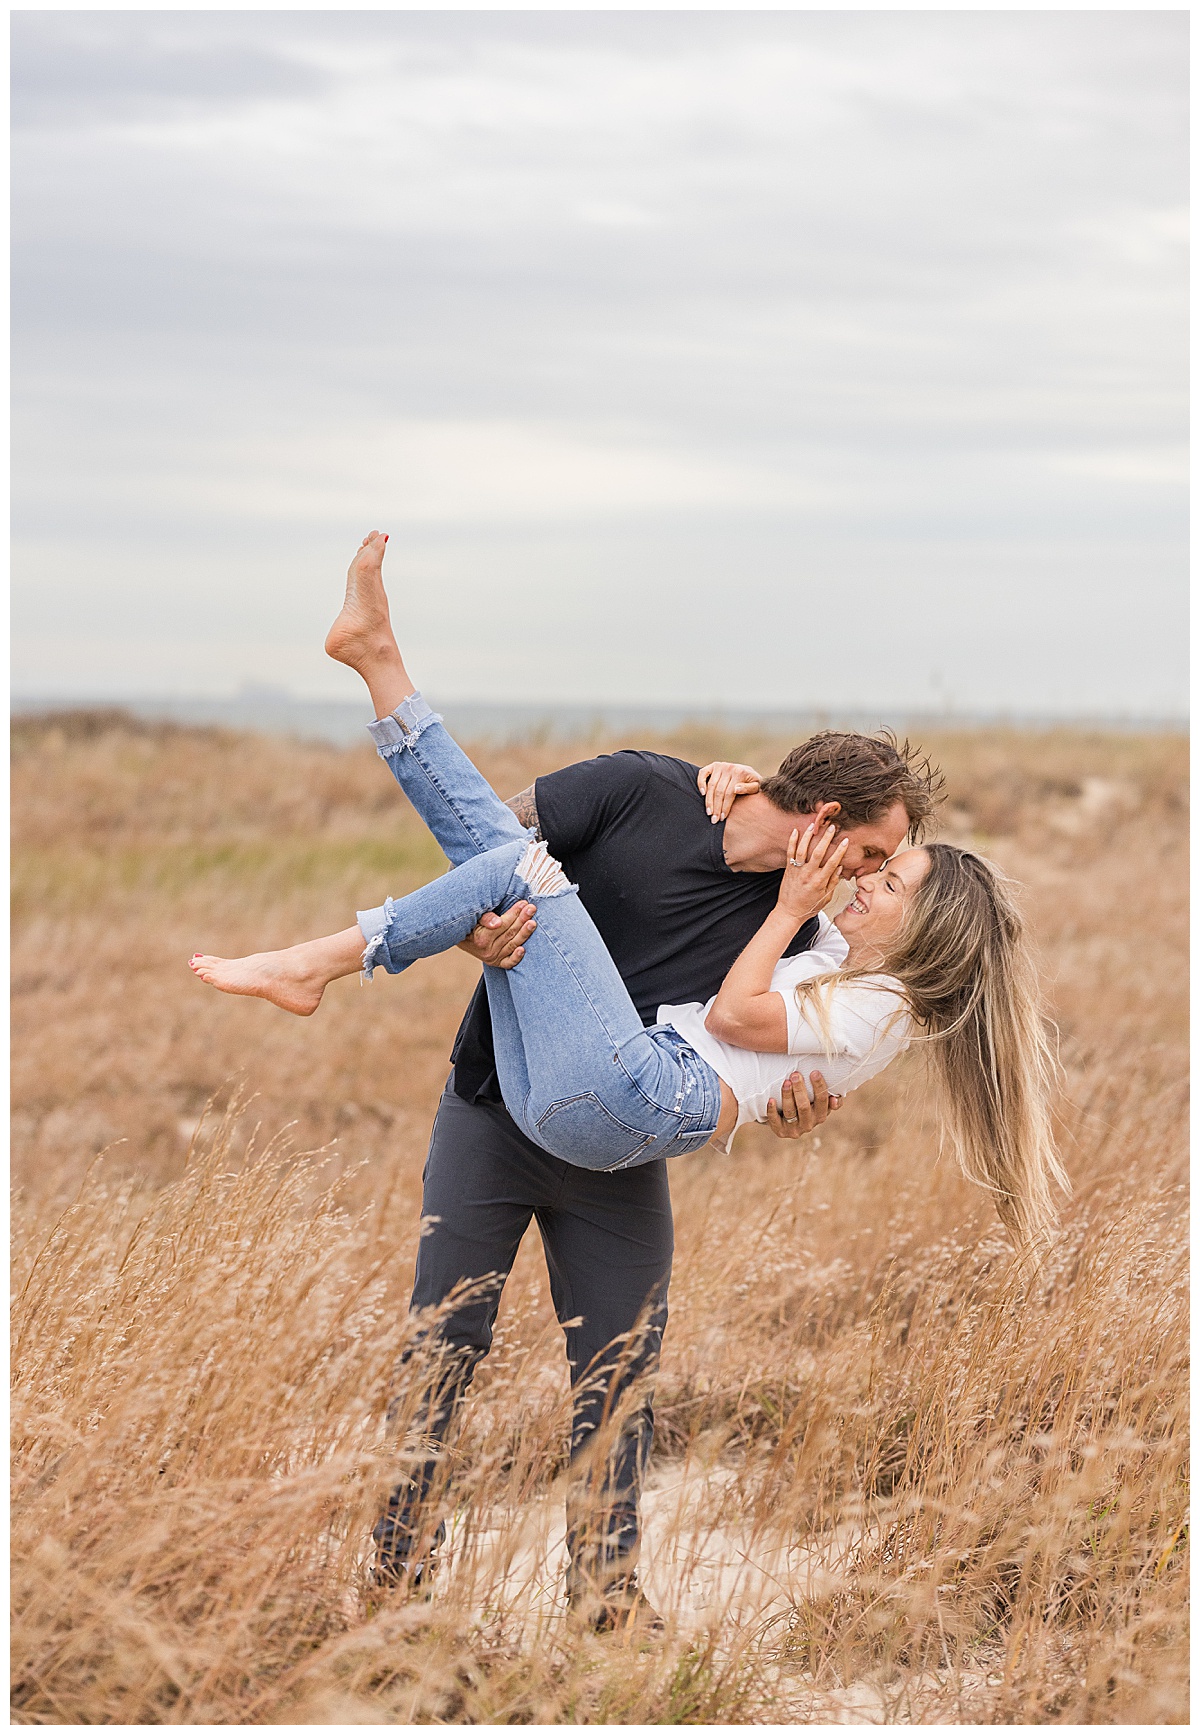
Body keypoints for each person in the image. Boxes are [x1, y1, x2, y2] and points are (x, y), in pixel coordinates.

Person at [189, 533, 968, 1628]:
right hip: (494, 1110)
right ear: (826, 824)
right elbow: (485, 848)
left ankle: (604, 1596)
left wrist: (805, 1104)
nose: (878, 879)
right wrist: (470, 935)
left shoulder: (798, 935)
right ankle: (398, 1571)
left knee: (621, 1370)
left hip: (616, 1145)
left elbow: (768, 1045)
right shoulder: (643, 789)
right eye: (877, 854)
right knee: (440, 1348)